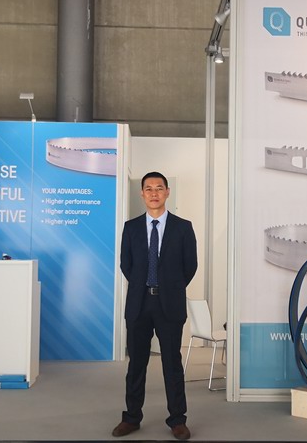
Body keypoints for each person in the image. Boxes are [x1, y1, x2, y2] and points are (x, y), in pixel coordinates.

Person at [112, 172, 198, 441]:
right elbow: (126, 264)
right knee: (136, 364)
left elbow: (190, 266)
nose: (153, 193)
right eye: (148, 188)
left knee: (172, 364)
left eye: (159, 188)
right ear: (142, 193)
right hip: (139, 304)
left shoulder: (183, 227)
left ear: (167, 192)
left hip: (169, 304)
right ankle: (131, 418)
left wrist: (169, 287)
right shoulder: (131, 227)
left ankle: (177, 420)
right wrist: (144, 285)